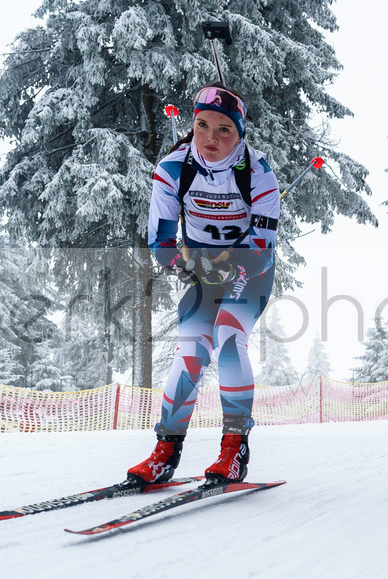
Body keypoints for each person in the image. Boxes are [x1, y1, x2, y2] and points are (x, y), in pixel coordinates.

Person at [126, 83, 280, 487]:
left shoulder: (260, 175)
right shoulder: (173, 169)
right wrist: (185, 264)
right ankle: (166, 451)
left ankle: (234, 450)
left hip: (250, 270)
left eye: (224, 130)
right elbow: (160, 242)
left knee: (229, 334)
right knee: (191, 349)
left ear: (240, 134)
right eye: (202, 125)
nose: (211, 138)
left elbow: (262, 250)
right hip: (199, 270)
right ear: (192, 124)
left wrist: (227, 267)